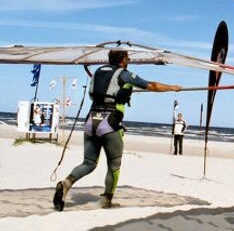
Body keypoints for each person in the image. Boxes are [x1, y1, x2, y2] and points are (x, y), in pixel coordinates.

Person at [53, 49, 181, 211]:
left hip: (91, 120)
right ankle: (107, 200)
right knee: (114, 165)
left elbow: (97, 94)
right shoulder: (124, 73)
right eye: (128, 58)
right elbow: (152, 85)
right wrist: (173, 87)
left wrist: (122, 92)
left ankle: (66, 183)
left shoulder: (98, 72)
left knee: (89, 163)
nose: (128, 61)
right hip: (110, 122)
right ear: (123, 60)